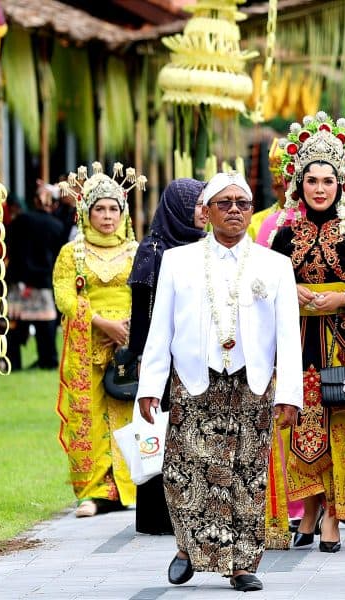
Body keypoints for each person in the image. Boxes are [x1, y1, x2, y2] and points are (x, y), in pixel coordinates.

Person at [136, 171, 302, 592]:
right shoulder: (177, 261)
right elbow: (160, 329)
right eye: (223, 202)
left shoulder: (275, 265)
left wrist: (290, 394)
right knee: (183, 473)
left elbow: (288, 337)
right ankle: (188, 549)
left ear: (250, 210)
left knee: (246, 474)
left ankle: (242, 564)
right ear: (206, 211)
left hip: (252, 383)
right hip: (194, 380)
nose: (234, 210)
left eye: (242, 203)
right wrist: (150, 386)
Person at [270, 112, 345, 553]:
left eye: (328, 181)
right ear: (298, 184)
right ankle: (311, 510)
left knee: (341, 427)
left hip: (344, 349)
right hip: (297, 348)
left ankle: (335, 513)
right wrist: (290, 290)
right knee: (302, 427)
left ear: (342, 185)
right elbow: (265, 287)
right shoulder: (283, 238)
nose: (320, 188)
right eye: (312, 180)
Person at [53, 163, 142, 518]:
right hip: (88, 344)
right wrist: (102, 322)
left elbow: (147, 294)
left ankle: (131, 486)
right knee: (86, 416)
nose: (107, 216)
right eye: (99, 209)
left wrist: (131, 327)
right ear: (85, 214)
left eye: (113, 208)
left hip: (130, 342)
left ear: (124, 212)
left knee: (129, 411)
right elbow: (65, 298)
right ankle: (93, 492)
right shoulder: (70, 254)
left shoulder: (137, 251)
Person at [127, 178, 207, 535]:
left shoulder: (207, 246)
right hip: (163, 356)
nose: (206, 212)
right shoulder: (153, 251)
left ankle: (193, 506)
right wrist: (144, 358)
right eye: (199, 205)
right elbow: (142, 312)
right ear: (179, 208)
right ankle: (158, 517)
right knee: (161, 432)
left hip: (195, 352)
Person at [7, 182, 64, 370]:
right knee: (46, 328)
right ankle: (48, 361)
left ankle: (11, 363)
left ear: (33, 201)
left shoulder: (19, 221)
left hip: (19, 282)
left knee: (13, 327)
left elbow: (10, 248)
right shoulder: (57, 226)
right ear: (54, 205)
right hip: (44, 283)